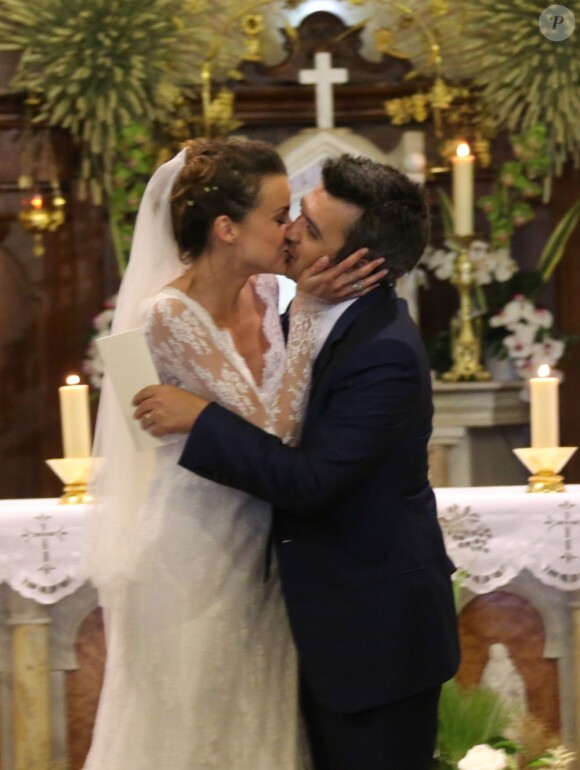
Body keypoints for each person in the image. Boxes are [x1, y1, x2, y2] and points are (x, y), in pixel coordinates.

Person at [134, 154, 461, 770]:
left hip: (372, 639)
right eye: (291, 215)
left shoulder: (382, 352)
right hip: (291, 611)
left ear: (356, 262)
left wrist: (198, 418)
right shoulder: (292, 310)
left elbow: (308, 482)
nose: (288, 231)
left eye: (306, 227)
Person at [83, 139, 384, 770]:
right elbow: (273, 429)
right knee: (192, 729)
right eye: (278, 217)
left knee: (260, 728)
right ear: (226, 228)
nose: (291, 232)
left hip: (268, 550)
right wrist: (306, 315)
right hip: (192, 550)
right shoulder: (167, 314)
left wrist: (297, 308)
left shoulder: (270, 293)